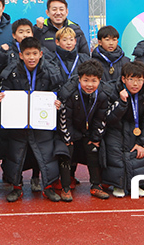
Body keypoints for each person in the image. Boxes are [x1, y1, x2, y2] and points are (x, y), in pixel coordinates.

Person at [0, 37, 67, 202]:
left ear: (41, 54)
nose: (31, 57)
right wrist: (1, 96)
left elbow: (59, 91)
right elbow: (3, 89)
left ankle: (48, 187)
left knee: (47, 155)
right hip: (17, 122)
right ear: (21, 55)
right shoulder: (11, 71)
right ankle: (16, 187)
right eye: (27, 54)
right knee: (15, 155)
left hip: (42, 122)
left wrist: (58, 102)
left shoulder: (51, 71)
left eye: (35, 53)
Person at [57, 59, 112, 200]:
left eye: (94, 81)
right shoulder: (68, 92)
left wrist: (95, 138)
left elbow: (101, 120)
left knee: (93, 150)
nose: (89, 85)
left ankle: (96, 186)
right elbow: (64, 118)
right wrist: (67, 138)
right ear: (79, 79)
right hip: (70, 130)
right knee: (66, 152)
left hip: (88, 131)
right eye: (86, 80)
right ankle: (65, 187)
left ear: (100, 80)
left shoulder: (103, 95)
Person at [102, 61, 144, 198]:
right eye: (131, 79)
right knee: (116, 157)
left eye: (139, 80)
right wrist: (121, 102)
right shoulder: (112, 90)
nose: (135, 84)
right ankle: (118, 185)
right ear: (123, 79)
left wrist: (143, 143)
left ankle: (136, 184)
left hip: (136, 128)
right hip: (115, 130)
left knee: (137, 154)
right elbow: (108, 118)